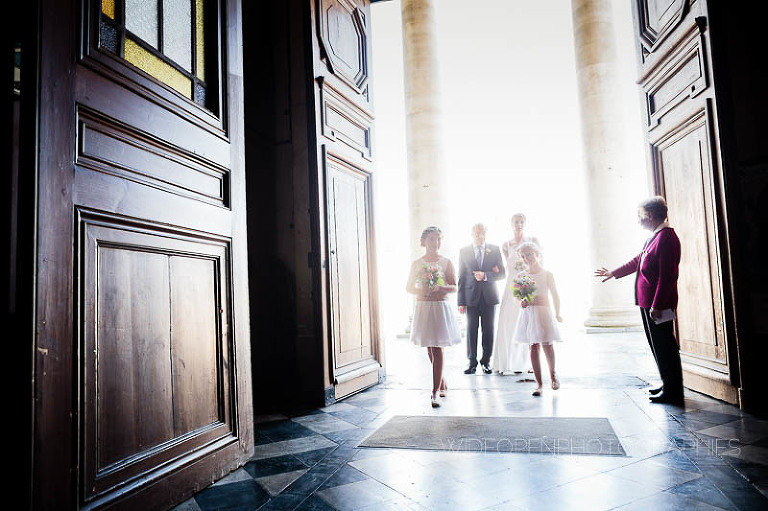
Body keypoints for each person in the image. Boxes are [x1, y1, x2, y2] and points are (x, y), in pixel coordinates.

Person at [595, 196, 684, 404]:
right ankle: (667, 384)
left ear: (650, 216)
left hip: (657, 305)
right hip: (648, 303)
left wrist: (658, 304)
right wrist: (613, 273)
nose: (638, 220)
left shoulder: (666, 238)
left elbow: (667, 276)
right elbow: (638, 260)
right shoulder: (654, 236)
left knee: (665, 347)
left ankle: (673, 391)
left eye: (640, 215)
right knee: (657, 346)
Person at [406, 226, 461, 407]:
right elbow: (408, 288)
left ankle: (435, 392)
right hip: (423, 307)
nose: (435, 243)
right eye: (431, 239)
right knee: (430, 347)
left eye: (438, 239)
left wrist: (440, 288)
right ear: (424, 241)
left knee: (437, 348)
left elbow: (454, 286)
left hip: (440, 307)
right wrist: (421, 289)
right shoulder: (417, 263)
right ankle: (442, 381)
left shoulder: (446, 262)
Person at [493, 213, 540, 375]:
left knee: (527, 320)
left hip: (527, 282)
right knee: (507, 320)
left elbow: (539, 262)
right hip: (511, 284)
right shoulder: (506, 245)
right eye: (516, 222)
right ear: (511, 224)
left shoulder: (532, 241)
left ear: (525, 224)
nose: (518, 224)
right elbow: (508, 266)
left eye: (521, 222)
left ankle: (528, 362)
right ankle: (507, 361)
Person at [513, 242, 562, 396]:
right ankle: (539, 384)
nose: (526, 258)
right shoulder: (521, 275)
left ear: (536, 253)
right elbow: (516, 295)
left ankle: (553, 374)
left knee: (547, 344)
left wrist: (558, 313)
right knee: (533, 346)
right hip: (529, 313)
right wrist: (521, 301)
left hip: (543, 312)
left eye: (529, 254)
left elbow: (555, 295)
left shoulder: (547, 274)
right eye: (523, 256)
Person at [457, 223, 505, 374]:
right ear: (471, 234)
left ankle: (486, 361)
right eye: (476, 233)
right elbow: (461, 277)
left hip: (489, 297)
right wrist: (461, 301)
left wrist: (486, 275)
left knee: (488, 330)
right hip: (470, 297)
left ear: (486, 233)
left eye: (482, 233)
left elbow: (502, 273)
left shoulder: (495, 249)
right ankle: (472, 362)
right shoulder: (463, 251)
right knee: (471, 330)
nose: (479, 236)